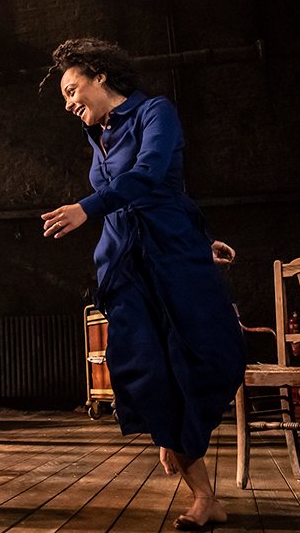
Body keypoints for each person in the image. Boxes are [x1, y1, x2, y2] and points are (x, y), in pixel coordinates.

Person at [40, 38, 245, 530]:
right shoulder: (98, 135)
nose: (69, 104)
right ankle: (196, 482)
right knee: (141, 366)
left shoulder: (156, 112)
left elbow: (153, 175)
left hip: (171, 251)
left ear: (99, 75)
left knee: (201, 355)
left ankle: (187, 449)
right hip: (126, 261)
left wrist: (87, 208)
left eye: (72, 90)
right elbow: (122, 193)